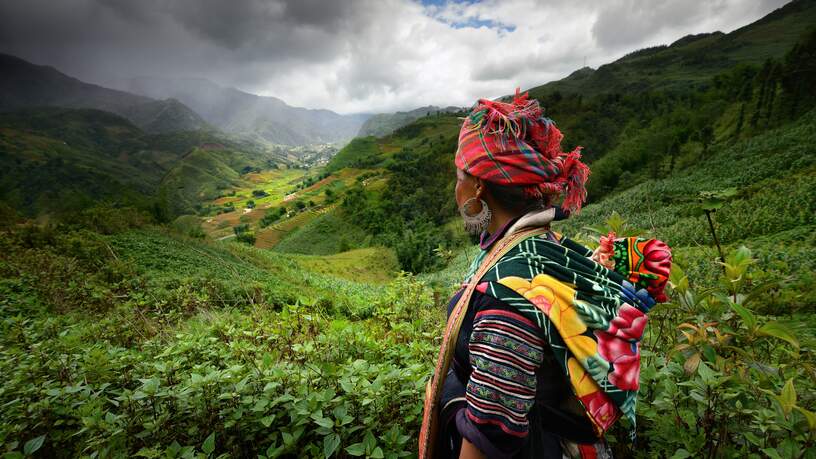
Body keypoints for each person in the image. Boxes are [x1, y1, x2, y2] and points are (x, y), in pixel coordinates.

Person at [418, 90, 673, 459]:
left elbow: (492, 432)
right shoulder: (550, 249)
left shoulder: (507, 297)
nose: (455, 191)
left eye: (460, 177)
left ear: (477, 187)